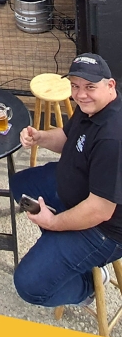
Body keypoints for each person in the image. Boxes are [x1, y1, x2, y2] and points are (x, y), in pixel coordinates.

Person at [10, 53, 122, 308]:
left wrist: (54, 224)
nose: (80, 94)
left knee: (29, 285)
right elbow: (67, 137)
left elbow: (100, 210)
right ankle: (59, 249)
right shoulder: (91, 107)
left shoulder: (113, 139)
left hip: (104, 230)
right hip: (75, 188)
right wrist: (39, 137)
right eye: (75, 86)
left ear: (110, 85)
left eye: (90, 87)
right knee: (19, 185)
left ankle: (88, 285)